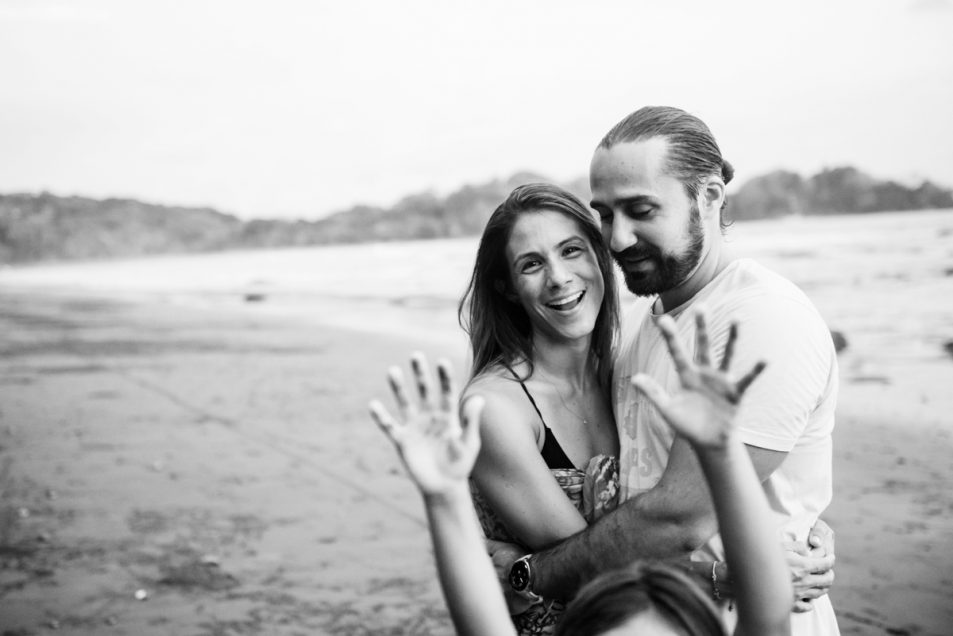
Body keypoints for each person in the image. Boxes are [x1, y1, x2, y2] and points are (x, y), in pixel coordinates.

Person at [488, 106, 840, 635]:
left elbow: (677, 518)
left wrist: (527, 573)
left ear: (709, 197)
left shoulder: (762, 319)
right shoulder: (636, 322)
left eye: (641, 210)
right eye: (605, 214)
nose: (618, 238)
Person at [369, 307, 792, 635]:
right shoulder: (506, 400)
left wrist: (446, 498)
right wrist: (720, 456)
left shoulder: (615, 369)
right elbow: (767, 612)